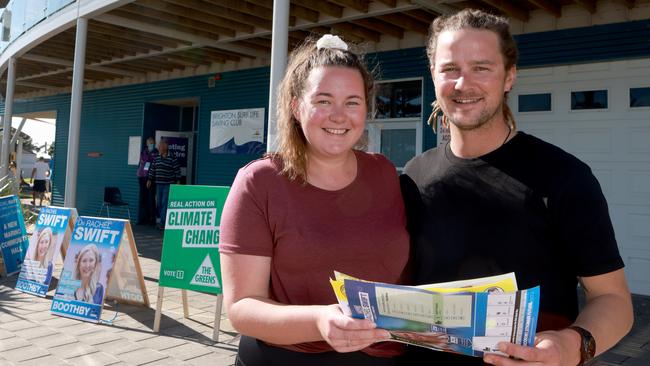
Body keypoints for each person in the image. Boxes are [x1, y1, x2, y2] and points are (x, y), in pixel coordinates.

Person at [401, 9, 633, 366]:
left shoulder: (563, 177)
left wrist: (570, 347)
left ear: (509, 77)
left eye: (481, 67)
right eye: (450, 69)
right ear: (433, 75)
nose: (463, 84)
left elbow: (614, 300)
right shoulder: (414, 176)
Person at [219, 34, 410, 366]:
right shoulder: (259, 181)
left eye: (352, 101)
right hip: (288, 357)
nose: (339, 115)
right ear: (296, 106)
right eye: (323, 100)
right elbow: (241, 307)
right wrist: (320, 321)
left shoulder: (384, 173)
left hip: (384, 356)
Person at [147, 139, 180, 229]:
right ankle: (162, 220)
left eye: (160, 146)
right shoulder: (156, 158)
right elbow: (152, 169)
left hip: (168, 184)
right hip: (159, 184)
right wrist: (149, 179)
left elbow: (177, 170)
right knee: (159, 204)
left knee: (164, 203)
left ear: (165, 147)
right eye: (159, 146)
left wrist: (178, 181)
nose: (159, 147)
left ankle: (163, 223)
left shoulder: (172, 158)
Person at [137, 137, 158, 225]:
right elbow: (143, 162)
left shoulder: (156, 152)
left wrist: (149, 158)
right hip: (142, 177)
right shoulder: (144, 152)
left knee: (151, 198)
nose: (151, 145)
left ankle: (151, 218)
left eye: (152, 143)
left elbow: (154, 163)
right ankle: (142, 218)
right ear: (147, 144)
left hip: (151, 178)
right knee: (143, 198)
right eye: (150, 143)